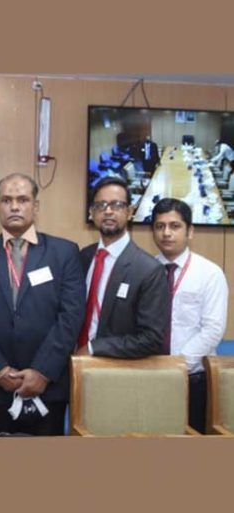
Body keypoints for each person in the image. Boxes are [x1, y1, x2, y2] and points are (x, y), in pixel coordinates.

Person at [0, 174, 84, 436]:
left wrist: (42, 371)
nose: (14, 206)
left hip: (48, 386)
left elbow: (71, 316)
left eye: (23, 200)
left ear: (36, 207)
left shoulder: (64, 253)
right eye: (6, 200)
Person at [151, 198, 227, 433]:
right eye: (159, 226)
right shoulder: (145, 270)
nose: (166, 233)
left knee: (190, 446)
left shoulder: (209, 273)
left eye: (175, 226)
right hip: (148, 375)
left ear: (190, 231)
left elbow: (213, 329)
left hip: (193, 378)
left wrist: (178, 365)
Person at [77, 177, 168, 357]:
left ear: (130, 212)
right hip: (71, 365)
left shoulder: (148, 269)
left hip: (116, 371)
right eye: (101, 205)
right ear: (92, 213)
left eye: (117, 205)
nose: (108, 211)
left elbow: (151, 338)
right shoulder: (83, 257)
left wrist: (94, 348)